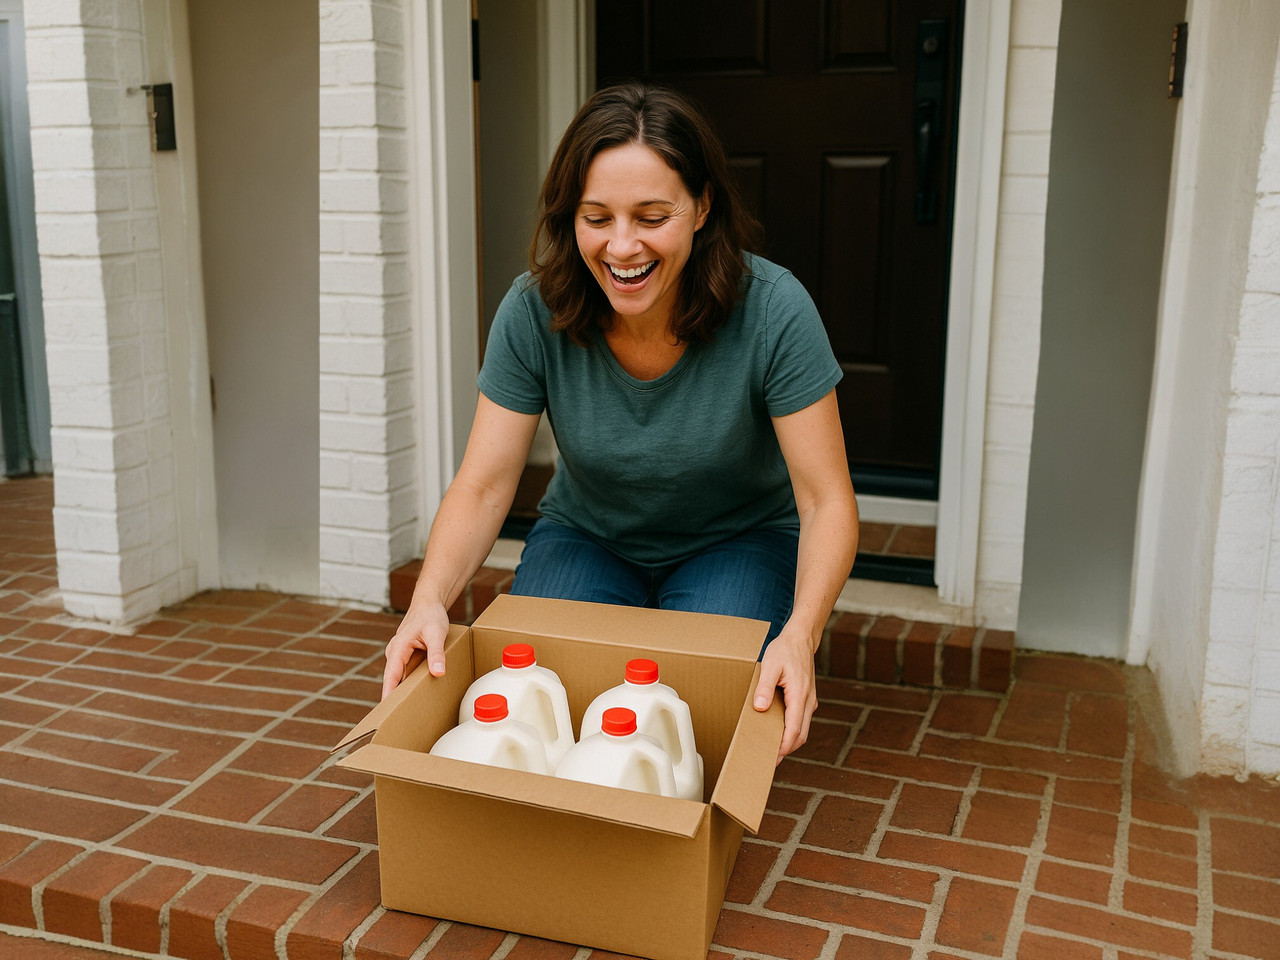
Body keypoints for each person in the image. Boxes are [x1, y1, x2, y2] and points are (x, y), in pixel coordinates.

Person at [383, 81, 858, 763]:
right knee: (535, 698)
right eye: (597, 217)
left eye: (651, 215)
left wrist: (801, 635)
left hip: (737, 540)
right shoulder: (532, 311)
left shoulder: (775, 311)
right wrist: (429, 599)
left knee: (697, 718)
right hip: (589, 536)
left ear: (701, 208)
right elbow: (485, 485)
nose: (622, 245)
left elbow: (825, 498)